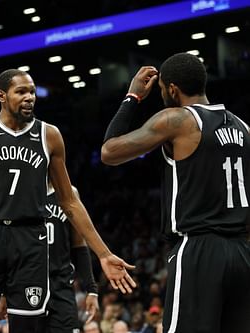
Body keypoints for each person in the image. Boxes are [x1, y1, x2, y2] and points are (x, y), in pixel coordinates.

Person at [0, 68, 136, 333]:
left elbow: (70, 201)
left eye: (32, 91)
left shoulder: (50, 135)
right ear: (2, 96)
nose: (29, 97)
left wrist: (104, 253)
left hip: (30, 240)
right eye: (21, 92)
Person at [101, 52, 250, 333]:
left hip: (198, 248)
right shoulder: (244, 128)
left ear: (172, 89)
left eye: (161, 90)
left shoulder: (177, 120)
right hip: (242, 251)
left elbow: (109, 152)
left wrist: (132, 97)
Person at [44, 182, 100, 332]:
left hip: (61, 285)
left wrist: (91, 289)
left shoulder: (70, 192)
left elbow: (79, 245)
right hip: (29, 282)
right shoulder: (24, 191)